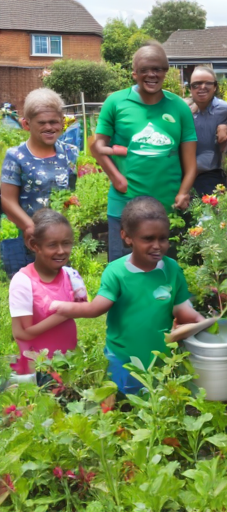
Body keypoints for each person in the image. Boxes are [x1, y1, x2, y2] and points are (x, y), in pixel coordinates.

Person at [51, 196, 204, 395]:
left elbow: (182, 310)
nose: (157, 245)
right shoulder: (117, 272)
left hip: (162, 361)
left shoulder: (171, 269)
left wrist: (203, 324)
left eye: (163, 238)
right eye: (148, 239)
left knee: (158, 410)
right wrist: (61, 307)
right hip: (123, 361)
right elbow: (96, 308)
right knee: (124, 410)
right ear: (127, 236)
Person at [91, 41, 197, 262]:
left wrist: (183, 191)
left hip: (166, 210)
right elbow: (97, 146)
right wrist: (117, 178)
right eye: (144, 70)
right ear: (134, 74)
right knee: (124, 276)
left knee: (166, 278)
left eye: (158, 69)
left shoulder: (179, 107)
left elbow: (190, 162)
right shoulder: (116, 102)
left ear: (166, 72)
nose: (152, 75)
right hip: (124, 206)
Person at [1, 88, 78, 273]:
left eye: (54, 122)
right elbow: (6, 199)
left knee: (60, 289)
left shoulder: (70, 153)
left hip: (58, 240)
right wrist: (30, 227)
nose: (49, 127)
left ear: (62, 121)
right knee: (28, 292)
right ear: (26, 124)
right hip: (27, 238)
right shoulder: (16, 156)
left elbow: (69, 190)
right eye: (42, 123)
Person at [8, 209, 86, 375]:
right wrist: (64, 313)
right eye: (52, 245)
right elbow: (22, 333)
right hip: (37, 371)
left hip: (69, 367)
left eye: (66, 243)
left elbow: (85, 308)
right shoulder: (23, 281)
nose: (61, 251)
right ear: (35, 245)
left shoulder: (72, 276)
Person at [188, 66, 227, 196]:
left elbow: (225, 149)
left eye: (207, 83)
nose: (202, 87)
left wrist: (224, 135)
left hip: (208, 174)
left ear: (215, 87)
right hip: (181, 172)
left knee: (211, 212)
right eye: (196, 84)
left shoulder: (224, 110)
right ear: (190, 89)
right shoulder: (183, 109)